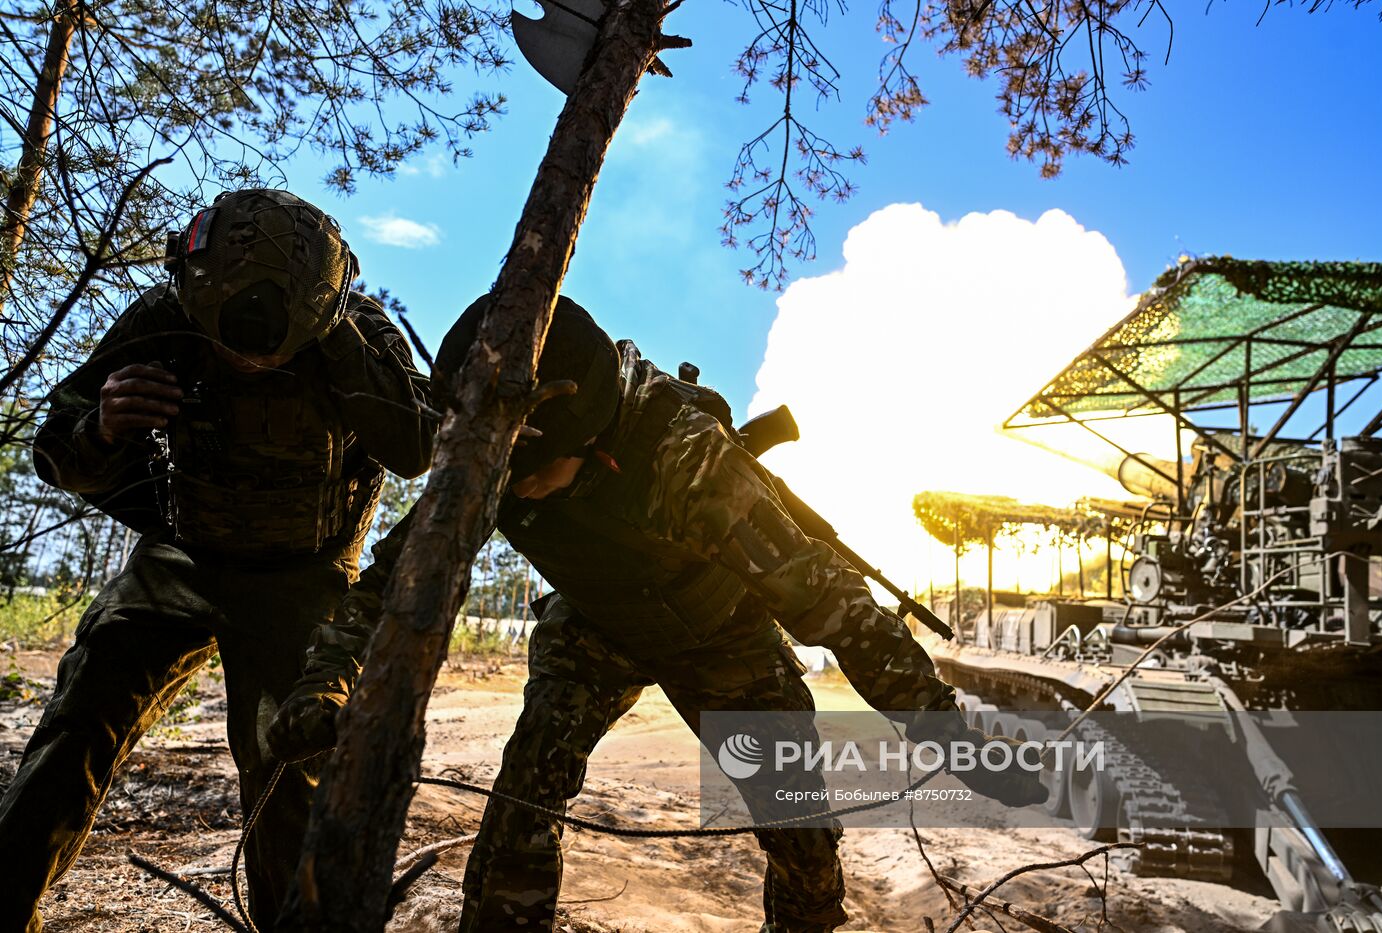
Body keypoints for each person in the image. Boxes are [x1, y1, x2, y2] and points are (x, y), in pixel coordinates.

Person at [268, 295, 1046, 932]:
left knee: (802, 837)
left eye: (534, 473)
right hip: (596, 625)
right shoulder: (490, 456)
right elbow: (391, 586)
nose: (517, 489)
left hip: (720, 632)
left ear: (591, 437)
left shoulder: (688, 462)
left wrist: (949, 735)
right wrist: (326, 682)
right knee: (524, 799)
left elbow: (837, 607)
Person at [0, 189, 436, 932]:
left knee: (285, 759)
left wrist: (348, 354)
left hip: (303, 578)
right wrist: (103, 428)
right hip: (184, 557)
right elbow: (56, 447)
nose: (247, 360)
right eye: (232, 349)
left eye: (271, 353)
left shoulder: (354, 331)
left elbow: (418, 444)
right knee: (84, 708)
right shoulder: (164, 318)